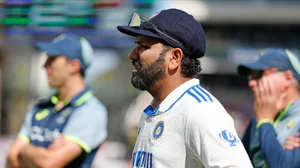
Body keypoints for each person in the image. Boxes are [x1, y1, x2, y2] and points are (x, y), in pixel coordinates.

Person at [117, 8, 252, 168]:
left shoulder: (200, 111)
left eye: (144, 46)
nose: (132, 54)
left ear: (174, 58)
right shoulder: (153, 109)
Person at [6, 33, 108, 168]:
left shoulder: (91, 110)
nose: (45, 65)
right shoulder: (41, 107)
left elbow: (48, 163)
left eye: (52, 59)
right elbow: (11, 158)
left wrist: (24, 149)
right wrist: (42, 154)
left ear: (74, 65)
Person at [238, 48, 300, 168]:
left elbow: (284, 165)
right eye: (250, 77)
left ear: (287, 78)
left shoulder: (262, 117)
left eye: (258, 74)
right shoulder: (257, 119)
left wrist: (265, 121)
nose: (251, 83)